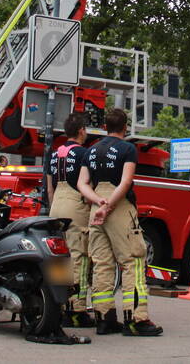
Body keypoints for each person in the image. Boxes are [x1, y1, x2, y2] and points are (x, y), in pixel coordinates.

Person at [77, 108, 162, 337]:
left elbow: (82, 184)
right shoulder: (127, 149)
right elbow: (126, 182)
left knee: (102, 264)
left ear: (105, 127)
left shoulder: (91, 150)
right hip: (118, 206)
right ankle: (136, 319)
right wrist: (109, 207)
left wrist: (98, 203)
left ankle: (104, 318)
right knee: (132, 261)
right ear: (125, 127)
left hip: (96, 204)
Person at [47, 112, 95, 328]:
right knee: (79, 258)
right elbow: (87, 185)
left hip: (56, 205)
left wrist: (52, 207)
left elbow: (50, 188)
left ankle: (58, 303)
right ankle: (77, 310)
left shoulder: (54, 154)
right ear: (81, 131)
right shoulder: (85, 154)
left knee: (58, 258)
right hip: (76, 206)